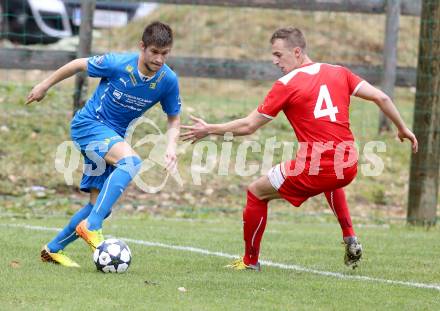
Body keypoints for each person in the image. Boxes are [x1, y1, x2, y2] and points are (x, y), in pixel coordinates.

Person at [181, 27, 418, 270]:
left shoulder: (286, 84)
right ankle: (350, 237)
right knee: (331, 179)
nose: (275, 61)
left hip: (313, 168)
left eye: (278, 55)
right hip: (348, 165)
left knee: (256, 193)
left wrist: (210, 129)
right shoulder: (339, 72)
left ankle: (249, 261)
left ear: (296, 52)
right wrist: (402, 128)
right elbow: (383, 98)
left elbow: (249, 125)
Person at [26, 21, 182, 267]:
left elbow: (174, 119)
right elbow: (77, 64)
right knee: (131, 162)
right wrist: (44, 85)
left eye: (165, 53)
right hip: (89, 125)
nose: (160, 59)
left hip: (113, 137)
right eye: (154, 52)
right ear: (142, 47)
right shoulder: (118, 64)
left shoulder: (167, 80)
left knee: (99, 205)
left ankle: (52, 249)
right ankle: (93, 226)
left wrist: (172, 147)